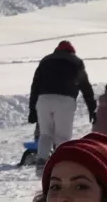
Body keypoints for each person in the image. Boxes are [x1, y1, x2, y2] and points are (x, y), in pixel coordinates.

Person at [28, 41, 97, 174]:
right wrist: (92, 108)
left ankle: (41, 163)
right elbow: (86, 87)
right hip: (65, 100)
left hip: (44, 99)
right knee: (62, 136)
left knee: (45, 134)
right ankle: (61, 164)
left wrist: (32, 109)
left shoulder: (45, 61)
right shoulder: (76, 62)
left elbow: (35, 85)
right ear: (71, 51)